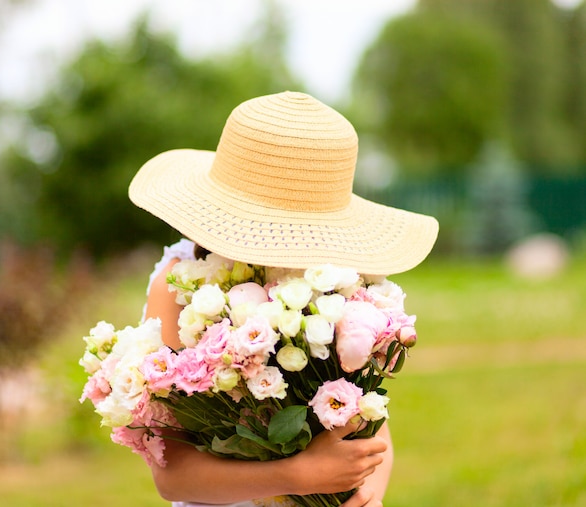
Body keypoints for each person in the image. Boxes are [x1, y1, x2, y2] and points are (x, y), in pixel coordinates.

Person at [129, 91, 439, 507]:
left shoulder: (336, 288)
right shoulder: (178, 288)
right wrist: (299, 476)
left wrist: (366, 497)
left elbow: (374, 432)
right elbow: (174, 476)